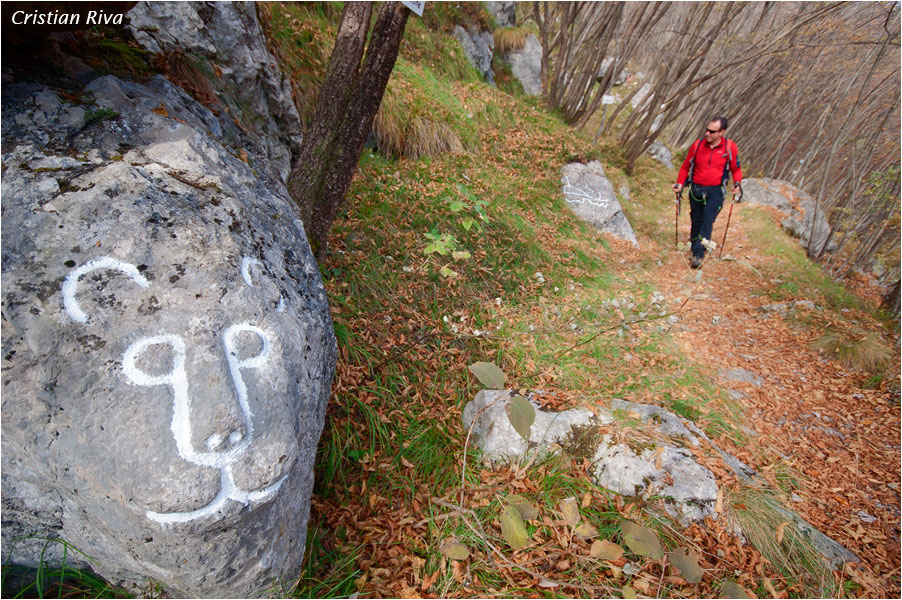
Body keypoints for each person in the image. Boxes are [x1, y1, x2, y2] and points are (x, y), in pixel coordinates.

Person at [672, 116, 742, 268]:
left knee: (707, 221)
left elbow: (736, 169)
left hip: (716, 191)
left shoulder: (729, 148)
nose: (707, 133)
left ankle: (698, 254)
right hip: (696, 189)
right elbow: (685, 167)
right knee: (696, 220)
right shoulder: (697, 145)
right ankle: (694, 244)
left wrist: (737, 184)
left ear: (721, 132)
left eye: (712, 131)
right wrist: (680, 183)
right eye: (707, 130)